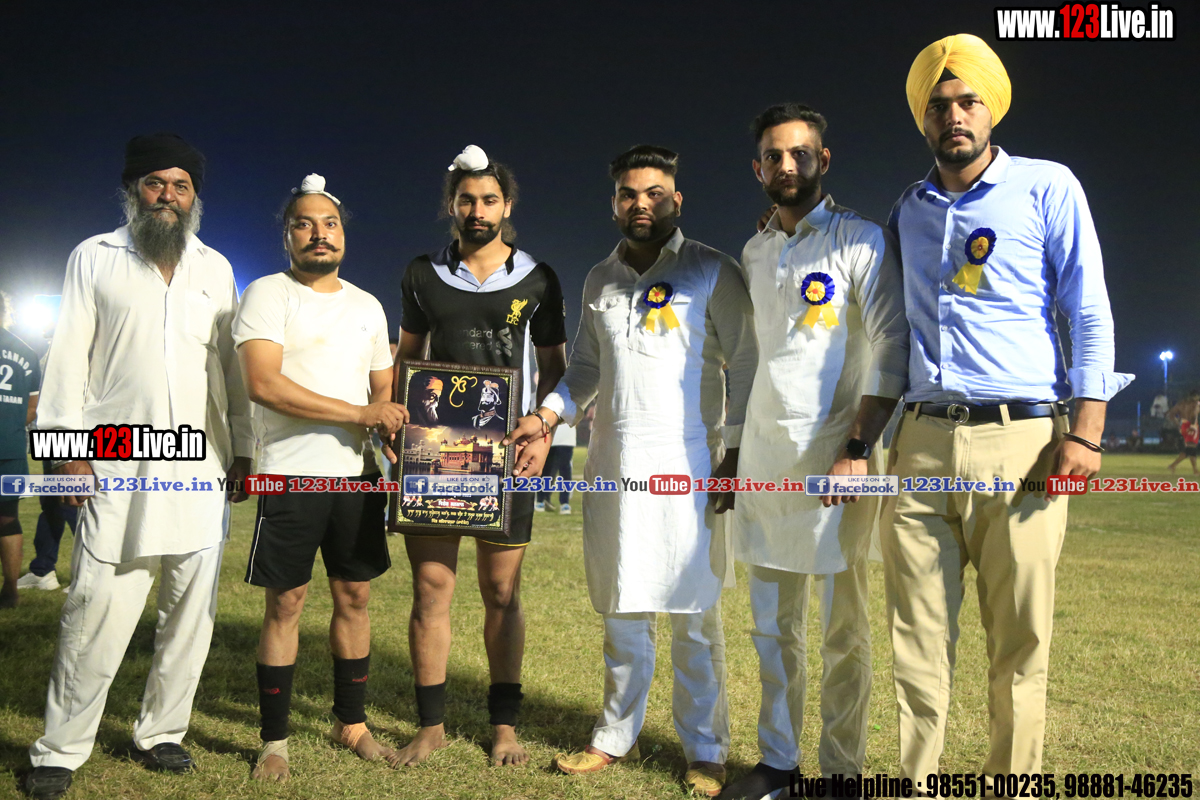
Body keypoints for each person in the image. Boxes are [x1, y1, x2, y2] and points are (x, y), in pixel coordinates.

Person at [883, 34, 1133, 781]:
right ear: (923, 119)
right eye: (938, 106)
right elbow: (887, 327)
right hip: (919, 443)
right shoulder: (908, 209)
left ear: (992, 109)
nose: (954, 116)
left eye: (968, 102)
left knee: (1020, 647)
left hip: (1021, 441)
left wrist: (1087, 432)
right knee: (916, 647)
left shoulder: (1047, 187)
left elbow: (1088, 310)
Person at [506, 144, 758, 797]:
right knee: (622, 610)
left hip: (690, 469)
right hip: (614, 466)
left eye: (654, 193)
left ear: (677, 199)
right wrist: (547, 416)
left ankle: (705, 749)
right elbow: (586, 370)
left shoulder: (712, 269)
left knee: (694, 617)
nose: (640, 204)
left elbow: (747, 361)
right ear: (614, 202)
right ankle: (615, 735)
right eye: (628, 193)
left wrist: (735, 452)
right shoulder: (600, 279)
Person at [26, 133, 254, 800]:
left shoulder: (215, 267)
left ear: (194, 198)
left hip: (202, 463)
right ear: (134, 189)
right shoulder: (95, 257)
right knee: (96, 605)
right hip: (117, 461)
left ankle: (162, 733)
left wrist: (243, 447)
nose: (167, 197)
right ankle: (61, 748)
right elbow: (68, 356)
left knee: (191, 611)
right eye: (156, 183)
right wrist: (66, 450)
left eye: (181, 186)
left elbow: (231, 369)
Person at [720, 104, 909, 799]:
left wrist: (858, 445)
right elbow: (754, 361)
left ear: (823, 161)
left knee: (842, 632)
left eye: (800, 153)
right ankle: (777, 762)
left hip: (839, 462)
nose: (787, 165)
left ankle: (841, 773)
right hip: (766, 463)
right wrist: (733, 452)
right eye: (774, 155)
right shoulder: (755, 251)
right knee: (772, 630)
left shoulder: (861, 239)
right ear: (758, 168)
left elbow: (891, 343)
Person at [391, 146, 567, 767]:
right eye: (466, 200)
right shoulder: (422, 274)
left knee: (501, 592)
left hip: (506, 456)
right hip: (433, 454)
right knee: (431, 590)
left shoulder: (539, 278)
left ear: (507, 206)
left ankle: (504, 727)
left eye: (489, 199)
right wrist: (396, 423)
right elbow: (407, 358)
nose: (478, 210)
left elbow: (555, 368)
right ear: (451, 205)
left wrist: (542, 432)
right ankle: (431, 726)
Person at [234, 174, 407, 782]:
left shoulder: (367, 305)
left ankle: (350, 723)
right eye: (304, 224)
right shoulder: (266, 293)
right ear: (287, 235)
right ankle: (274, 740)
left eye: (329, 223)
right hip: (291, 474)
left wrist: (389, 424)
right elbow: (264, 384)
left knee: (355, 597)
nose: (319, 234)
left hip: (357, 477)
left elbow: (383, 387)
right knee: (286, 603)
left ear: (343, 234)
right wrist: (361, 413)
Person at [0, 290, 41, 609]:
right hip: (11, 446)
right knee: (7, 519)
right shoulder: (27, 353)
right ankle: (11, 591)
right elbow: (32, 408)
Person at [535, 420, 576, 513]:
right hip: (549, 435)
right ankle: (542, 500)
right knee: (547, 469)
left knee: (564, 470)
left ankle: (564, 502)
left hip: (566, 438)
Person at [1166, 390, 1200, 473]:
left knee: (1191, 448)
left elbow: (1171, 414)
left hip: (1183, 425)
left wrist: (1178, 425)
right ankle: (1173, 465)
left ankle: (1195, 470)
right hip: (1191, 425)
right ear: (1195, 396)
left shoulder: (1180, 404)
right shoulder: (1195, 403)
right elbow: (1194, 414)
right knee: (1190, 449)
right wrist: (1192, 425)